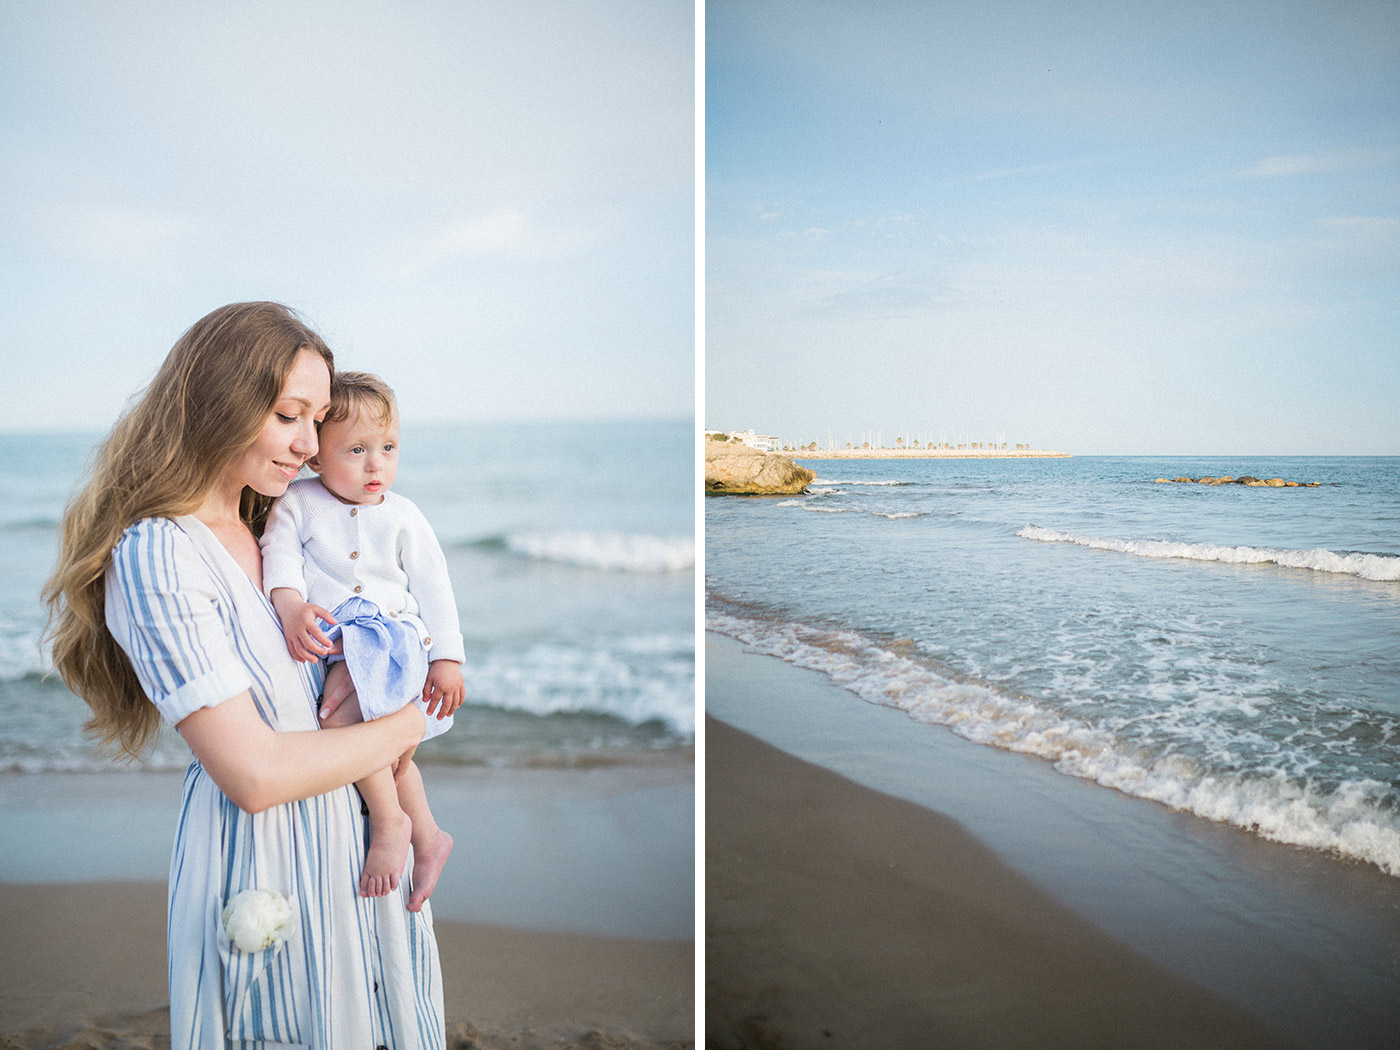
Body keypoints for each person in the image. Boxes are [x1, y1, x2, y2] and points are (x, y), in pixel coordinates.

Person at [43, 302, 444, 1048]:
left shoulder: (282, 524)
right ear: (218, 402)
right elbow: (253, 773)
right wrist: (416, 717)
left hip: (352, 846)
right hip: (264, 859)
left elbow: (391, 621)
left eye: (318, 418)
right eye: (289, 414)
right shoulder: (160, 552)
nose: (308, 443)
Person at [260, 371, 463, 909]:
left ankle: (389, 823)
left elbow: (434, 586)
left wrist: (447, 657)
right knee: (391, 752)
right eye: (356, 450)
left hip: (394, 640)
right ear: (315, 456)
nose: (377, 465)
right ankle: (429, 837)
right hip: (341, 636)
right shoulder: (298, 502)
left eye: (388, 448)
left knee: (339, 723)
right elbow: (279, 558)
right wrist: (290, 605)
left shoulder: (403, 515)